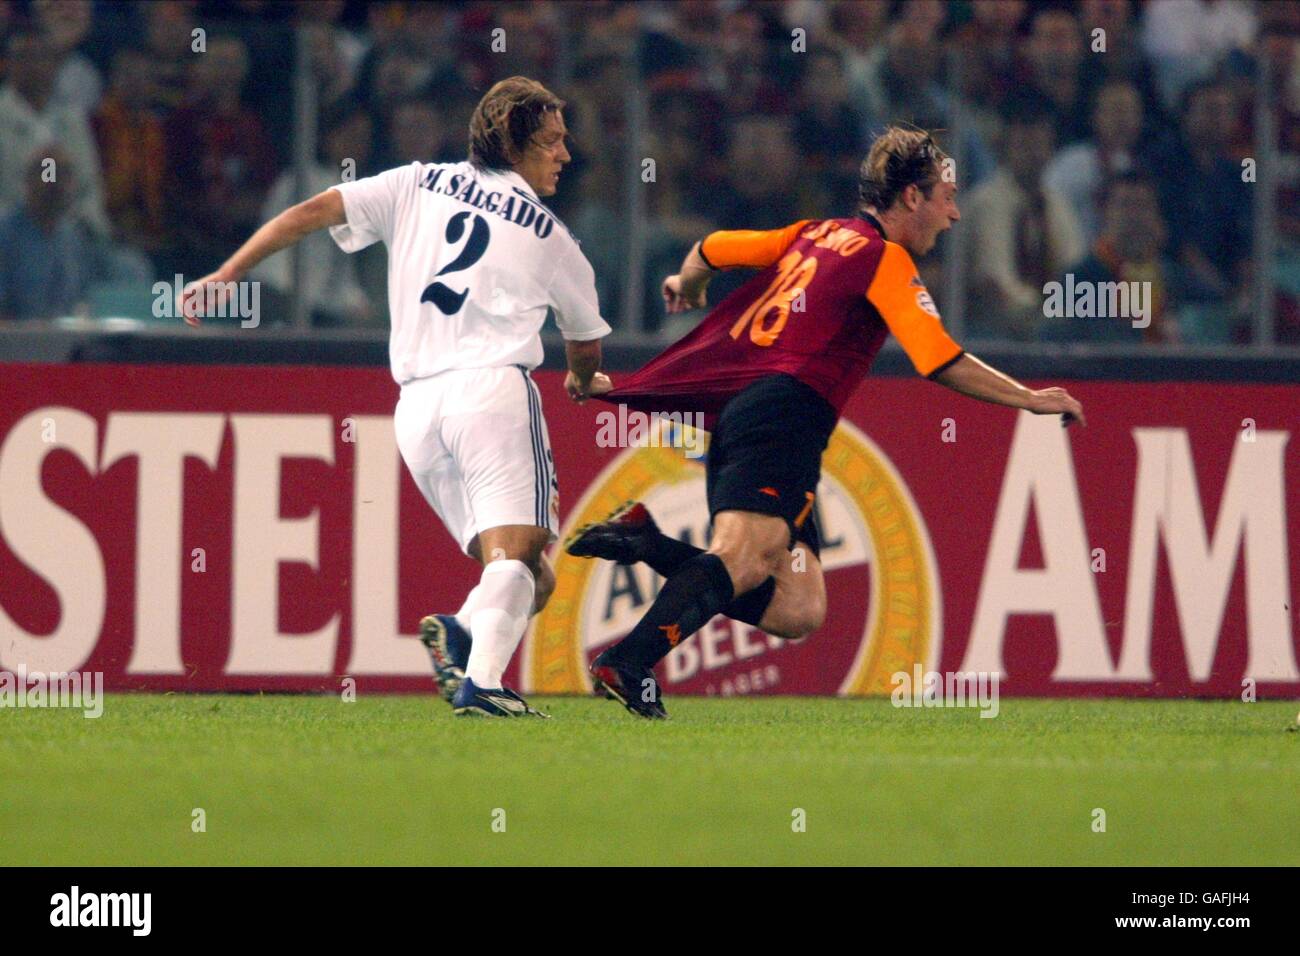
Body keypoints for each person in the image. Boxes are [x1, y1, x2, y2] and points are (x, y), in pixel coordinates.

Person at [568, 126, 1086, 719]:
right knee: (742, 557)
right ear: (911, 198)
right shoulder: (884, 259)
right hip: (783, 413)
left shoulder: (814, 234)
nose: (955, 214)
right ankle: (628, 662)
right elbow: (938, 359)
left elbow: (714, 247)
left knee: (798, 608)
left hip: (763, 414)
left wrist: (688, 282)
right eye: (946, 196)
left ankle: (645, 541)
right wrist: (1030, 399)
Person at [178, 77, 612, 717]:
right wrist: (580, 380)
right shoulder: (552, 237)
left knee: (526, 572)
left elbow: (308, 214)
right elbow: (584, 343)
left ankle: (461, 634)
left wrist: (228, 272)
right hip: (491, 391)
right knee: (519, 554)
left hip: (416, 411)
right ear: (515, 145)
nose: (566, 155)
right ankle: (484, 686)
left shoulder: (413, 182)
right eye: (552, 141)